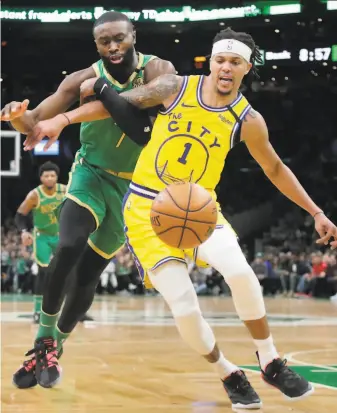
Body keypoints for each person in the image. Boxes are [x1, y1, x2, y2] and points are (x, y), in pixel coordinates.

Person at [24, 27, 337, 408]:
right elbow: (117, 103)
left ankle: (269, 359)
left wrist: (316, 212)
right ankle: (228, 372)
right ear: (211, 60)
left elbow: (274, 168)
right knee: (184, 306)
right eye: (220, 59)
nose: (225, 67)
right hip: (146, 211)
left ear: (246, 67)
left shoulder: (248, 119)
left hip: (200, 208)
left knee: (240, 273)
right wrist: (63, 120)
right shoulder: (173, 87)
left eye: (234, 62)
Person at [1, 11, 175, 389]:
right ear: (95, 44)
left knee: (87, 276)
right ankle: (44, 338)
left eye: (119, 38)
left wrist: (69, 117)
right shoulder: (79, 79)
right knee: (69, 244)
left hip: (134, 187)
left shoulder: (158, 69)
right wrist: (17, 117)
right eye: (103, 41)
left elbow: (142, 98)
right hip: (90, 175)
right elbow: (34, 120)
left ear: (134, 35)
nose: (113, 47)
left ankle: (55, 347)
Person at [15, 161, 93, 324]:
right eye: (46, 175)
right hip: (42, 236)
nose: (50, 178)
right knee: (43, 273)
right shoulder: (34, 195)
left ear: (57, 177)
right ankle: (37, 312)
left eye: (52, 175)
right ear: (41, 178)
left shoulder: (65, 190)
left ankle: (75, 311)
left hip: (61, 235)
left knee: (71, 272)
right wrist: (24, 232)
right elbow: (20, 215)